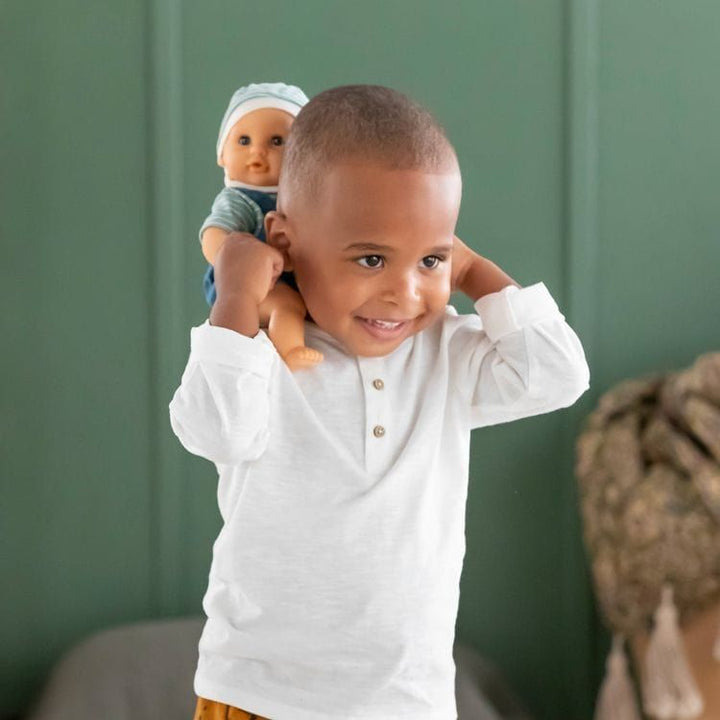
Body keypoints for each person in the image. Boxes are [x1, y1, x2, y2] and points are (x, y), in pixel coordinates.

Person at [170, 84, 591, 720]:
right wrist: (234, 297)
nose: (405, 293)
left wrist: (473, 271)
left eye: (431, 259)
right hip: (259, 695)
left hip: (407, 701)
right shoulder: (259, 355)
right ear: (283, 240)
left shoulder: (445, 353)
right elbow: (213, 430)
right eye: (371, 259)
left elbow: (558, 374)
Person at [200, 82, 323, 371]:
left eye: (277, 141)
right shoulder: (240, 200)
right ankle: (290, 349)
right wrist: (238, 262)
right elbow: (214, 234)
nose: (257, 152)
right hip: (254, 287)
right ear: (222, 155)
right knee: (287, 305)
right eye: (243, 141)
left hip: (300, 280)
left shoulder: (309, 197)